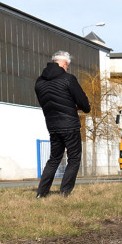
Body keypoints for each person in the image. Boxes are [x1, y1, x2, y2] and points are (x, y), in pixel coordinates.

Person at [34, 50, 91, 198]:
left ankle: (41, 193)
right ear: (64, 64)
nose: (67, 69)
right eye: (68, 66)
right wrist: (82, 107)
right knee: (74, 158)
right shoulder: (68, 79)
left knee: (54, 159)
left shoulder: (39, 82)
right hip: (70, 125)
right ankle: (64, 193)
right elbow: (83, 102)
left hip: (52, 126)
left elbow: (46, 103)